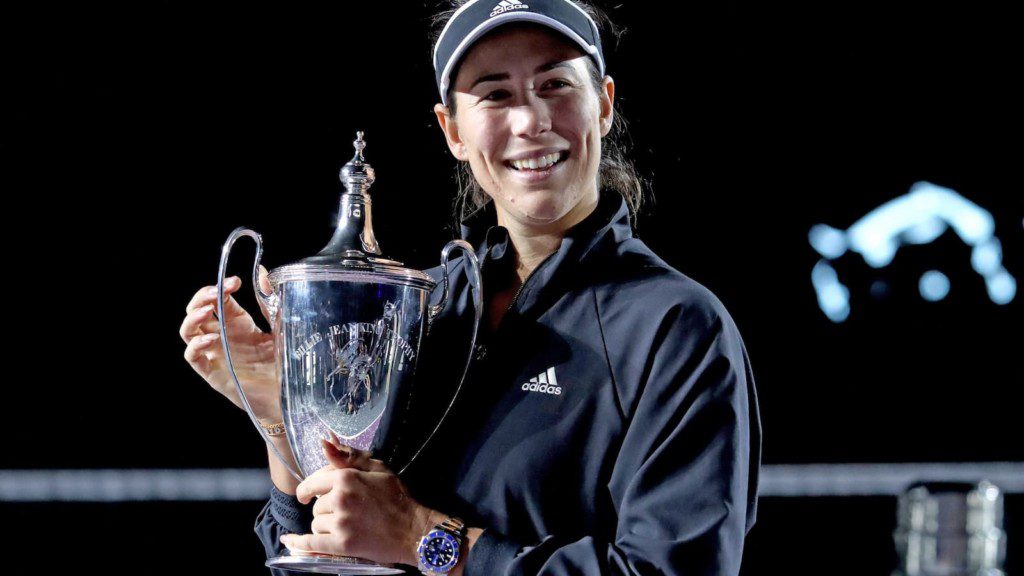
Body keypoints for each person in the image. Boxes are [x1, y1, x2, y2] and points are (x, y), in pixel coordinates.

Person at [180, 1, 761, 574]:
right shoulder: (417, 310)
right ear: (452, 130)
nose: (531, 121)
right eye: (495, 93)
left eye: (555, 84)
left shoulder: (676, 325)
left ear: (604, 104)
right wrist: (280, 416)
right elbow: (323, 553)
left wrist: (423, 539)